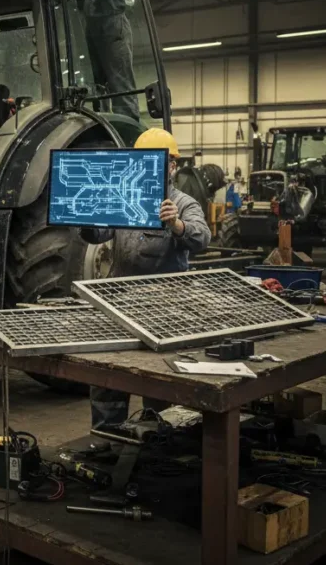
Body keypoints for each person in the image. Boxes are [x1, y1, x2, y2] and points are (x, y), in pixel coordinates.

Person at [79, 128, 211, 429]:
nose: (147, 167)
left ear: (172, 167)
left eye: (156, 161)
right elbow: (99, 233)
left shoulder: (183, 203)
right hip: (118, 304)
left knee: (160, 383)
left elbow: (202, 238)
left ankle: (159, 444)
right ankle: (108, 439)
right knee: (107, 376)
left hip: (164, 310)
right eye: (142, 161)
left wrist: (176, 225)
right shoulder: (126, 196)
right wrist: (85, 217)